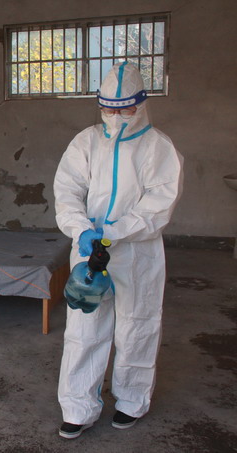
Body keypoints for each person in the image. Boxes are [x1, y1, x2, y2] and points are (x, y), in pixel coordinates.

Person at [53, 62, 183, 438]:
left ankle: (131, 401)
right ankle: (78, 407)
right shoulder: (87, 141)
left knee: (137, 324)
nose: (116, 116)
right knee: (84, 327)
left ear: (141, 104)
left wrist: (113, 232)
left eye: (125, 109)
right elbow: (67, 190)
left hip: (136, 253)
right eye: (108, 109)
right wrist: (81, 230)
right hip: (89, 250)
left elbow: (157, 206)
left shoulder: (158, 147)